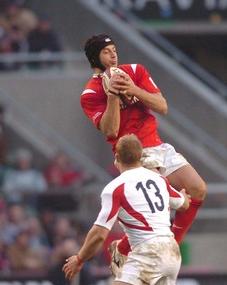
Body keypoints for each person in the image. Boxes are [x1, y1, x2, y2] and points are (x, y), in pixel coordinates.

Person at [63, 134, 217, 285]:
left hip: (148, 250)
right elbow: (184, 204)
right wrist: (185, 198)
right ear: (140, 157)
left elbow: (99, 233)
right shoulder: (158, 179)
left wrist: (80, 258)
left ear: (116, 158)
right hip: (171, 250)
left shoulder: (115, 187)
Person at [80, 33, 206, 248]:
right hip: (132, 155)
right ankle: (128, 247)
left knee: (198, 189)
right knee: (160, 207)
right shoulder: (90, 94)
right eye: (106, 52)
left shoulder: (135, 72)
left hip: (158, 145)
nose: (113, 56)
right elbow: (111, 131)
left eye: (114, 51)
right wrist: (112, 96)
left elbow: (162, 106)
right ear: (94, 58)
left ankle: (172, 242)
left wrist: (133, 89)